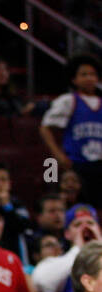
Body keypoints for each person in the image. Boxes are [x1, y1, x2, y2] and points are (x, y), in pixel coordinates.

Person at [40, 54, 102, 209]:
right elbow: (45, 127)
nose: (89, 78)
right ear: (74, 79)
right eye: (84, 74)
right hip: (78, 164)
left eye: (92, 74)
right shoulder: (68, 101)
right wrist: (58, 155)